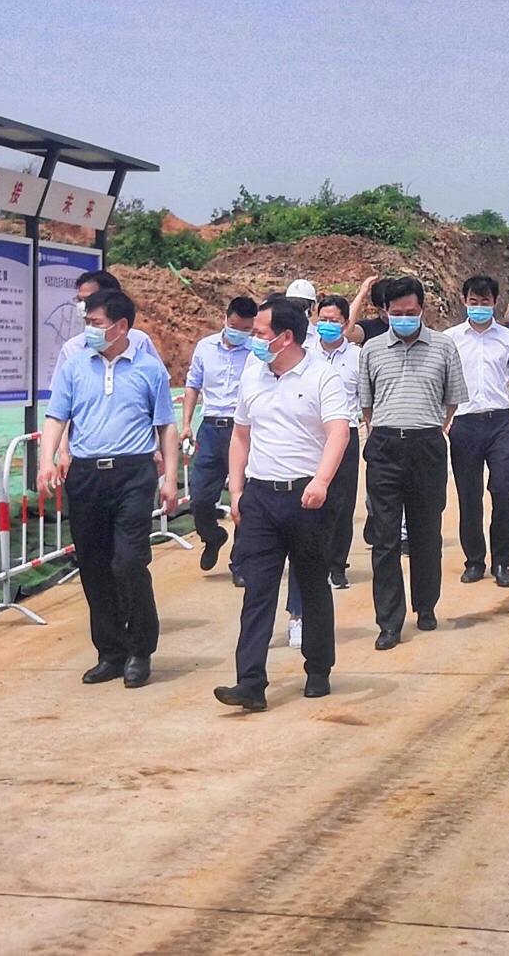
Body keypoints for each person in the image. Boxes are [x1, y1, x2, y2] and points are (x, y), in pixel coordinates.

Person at [213, 298, 352, 712]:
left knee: (311, 584)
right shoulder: (253, 375)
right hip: (260, 497)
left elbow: (339, 432)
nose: (253, 339)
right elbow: (241, 435)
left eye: (259, 333)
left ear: (285, 337)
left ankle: (318, 668)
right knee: (257, 589)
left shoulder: (322, 376)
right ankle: (250, 682)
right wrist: (237, 491)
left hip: (307, 497)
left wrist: (321, 481)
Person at [38, 289, 179, 689]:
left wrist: (170, 478)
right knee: (94, 565)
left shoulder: (149, 370)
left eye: (96, 323)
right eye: (87, 323)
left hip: (133, 473)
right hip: (86, 475)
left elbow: (166, 426)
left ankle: (140, 649)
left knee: (129, 562)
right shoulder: (74, 366)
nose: (89, 330)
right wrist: (46, 460)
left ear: (121, 326)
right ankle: (111, 652)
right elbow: (56, 417)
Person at [358, 276, 467, 649]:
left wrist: (432, 424)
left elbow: (453, 398)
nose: (404, 318)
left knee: (426, 532)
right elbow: (366, 403)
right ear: (385, 312)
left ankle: (426, 605)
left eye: (411, 312)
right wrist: (384, 428)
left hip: (427, 445)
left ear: (422, 309)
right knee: (385, 537)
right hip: (385, 446)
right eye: (397, 312)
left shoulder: (443, 347)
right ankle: (389, 622)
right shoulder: (371, 349)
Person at [445, 275, 509, 587]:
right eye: (473, 301)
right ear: (464, 301)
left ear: (495, 302)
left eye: (485, 302)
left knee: (503, 491)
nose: (479, 307)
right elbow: (440, 382)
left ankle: (502, 562)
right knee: (469, 496)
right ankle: (474, 561)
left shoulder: (508, 339)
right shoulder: (450, 339)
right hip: (464, 424)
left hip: (499, 424)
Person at [181, 297, 258, 575]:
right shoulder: (205, 348)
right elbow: (193, 385)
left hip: (244, 430)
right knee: (200, 497)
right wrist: (186, 424)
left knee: (244, 500)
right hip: (211, 429)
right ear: (225, 319)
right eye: (235, 327)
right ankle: (212, 536)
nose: (240, 333)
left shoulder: (256, 352)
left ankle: (241, 562)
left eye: (246, 329)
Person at [307, 293, 363, 589]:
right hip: (311, 435)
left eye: (333, 321)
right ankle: (312, 561)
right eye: (323, 319)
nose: (327, 325)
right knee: (310, 499)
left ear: (345, 323)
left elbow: (366, 399)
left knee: (341, 503)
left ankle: (338, 565)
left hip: (345, 435)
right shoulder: (304, 353)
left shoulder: (357, 357)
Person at [48, 269, 161, 391]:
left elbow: (157, 387)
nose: (83, 305)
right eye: (79, 300)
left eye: (89, 299)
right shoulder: (71, 348)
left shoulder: (139, 342)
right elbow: (60, 395)